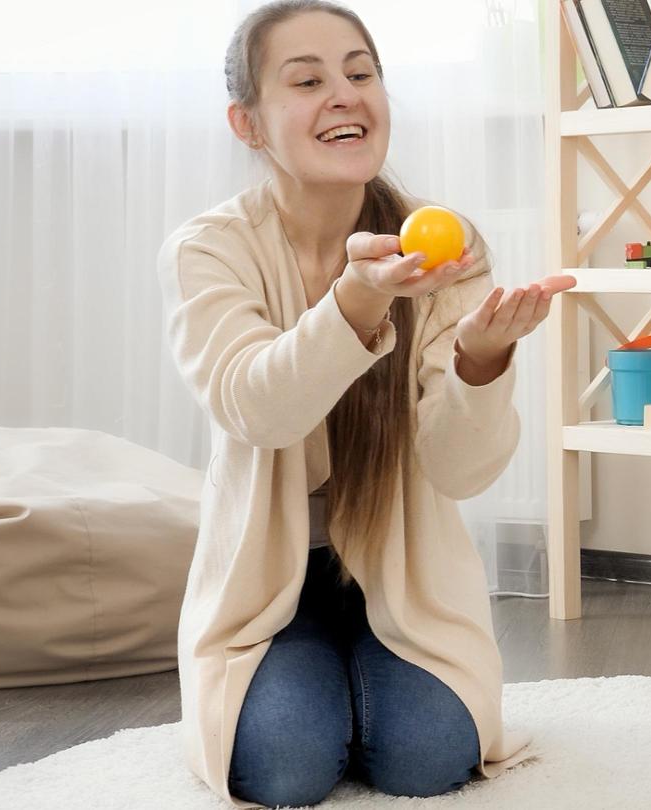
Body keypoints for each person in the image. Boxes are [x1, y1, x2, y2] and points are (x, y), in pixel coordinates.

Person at [158, 2, 573, 806]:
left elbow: (460, 471)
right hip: (267, 593)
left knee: (428, 758)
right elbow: (258, 410)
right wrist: (356, 302)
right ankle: (310, 679)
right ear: (247, 123)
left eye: (360, 73)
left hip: (402, 579)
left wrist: (482, 362)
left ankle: (358, 677)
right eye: (307, 80)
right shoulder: (209, 249)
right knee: (285, 770)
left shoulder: (442, 247)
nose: (345, 95)